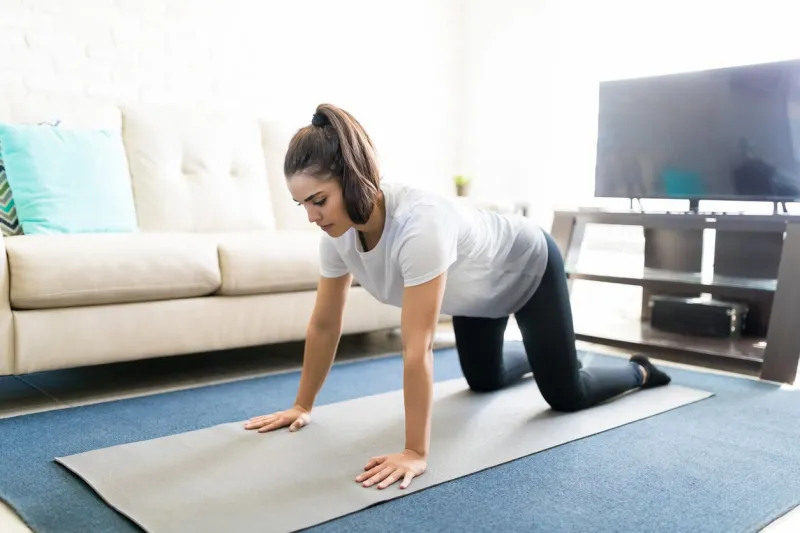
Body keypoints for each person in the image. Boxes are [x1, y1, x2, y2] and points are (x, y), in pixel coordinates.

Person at [244, 103, 671, 491]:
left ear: (353, 179)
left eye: (318, 200)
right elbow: (324, 323)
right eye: (302, 204)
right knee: (483, 381)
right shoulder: (336, 238)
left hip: (525, 267)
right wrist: (302, 405)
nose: (311, 216)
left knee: (567, 396)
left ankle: (638, 371)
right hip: (475, 296)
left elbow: (417, 349)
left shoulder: (419, 226)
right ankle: (551, 354)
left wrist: (415, 452)